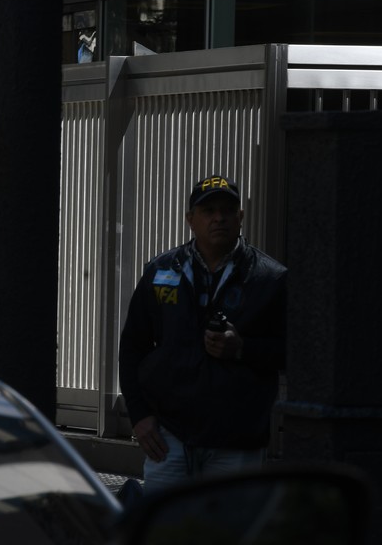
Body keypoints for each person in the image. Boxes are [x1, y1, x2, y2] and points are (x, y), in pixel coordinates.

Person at [118, 174, 287, 495]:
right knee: (164, 523)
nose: (219, 218)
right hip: (169, 437)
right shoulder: (160, 271)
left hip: (237, 442)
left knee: (227, 525)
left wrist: (242, 349)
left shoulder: (270, 279)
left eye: (227, 210)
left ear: (240, 217)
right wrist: (139, 415)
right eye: (208, 211)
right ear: (190, 220)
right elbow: (132, 347)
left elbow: (295, 353)